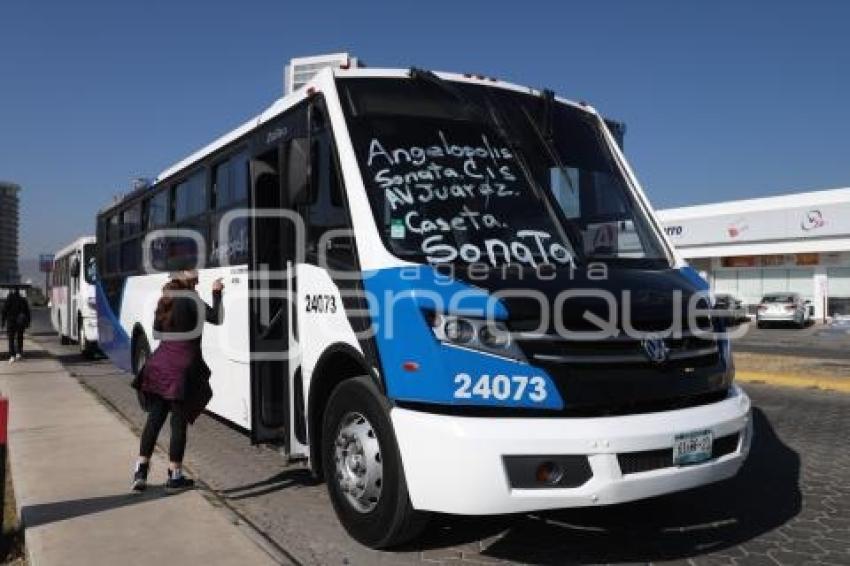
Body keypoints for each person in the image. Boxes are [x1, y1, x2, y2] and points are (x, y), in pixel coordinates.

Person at [132, 270, 224, 491]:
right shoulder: (191, 299)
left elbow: (156, 331)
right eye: (195, 279)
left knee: (154, 419)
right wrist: (217, 293)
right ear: (187, 280)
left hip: (159, 365)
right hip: (181, 369)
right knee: (178, 423)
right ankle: (174, 477)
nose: (197, 281)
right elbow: (216, 318)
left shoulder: (165, 299)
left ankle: (140, 472)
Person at [2, 289, 30, 363]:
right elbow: (27, 312)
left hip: (11, 322)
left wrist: (3, 322)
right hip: (20, 322)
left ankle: (12, 355)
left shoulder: (8, 300)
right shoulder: (22, 300)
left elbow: (4, 311)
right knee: (20, 337)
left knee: (11, 338)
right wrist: (28, 322)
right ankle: (19, 353)